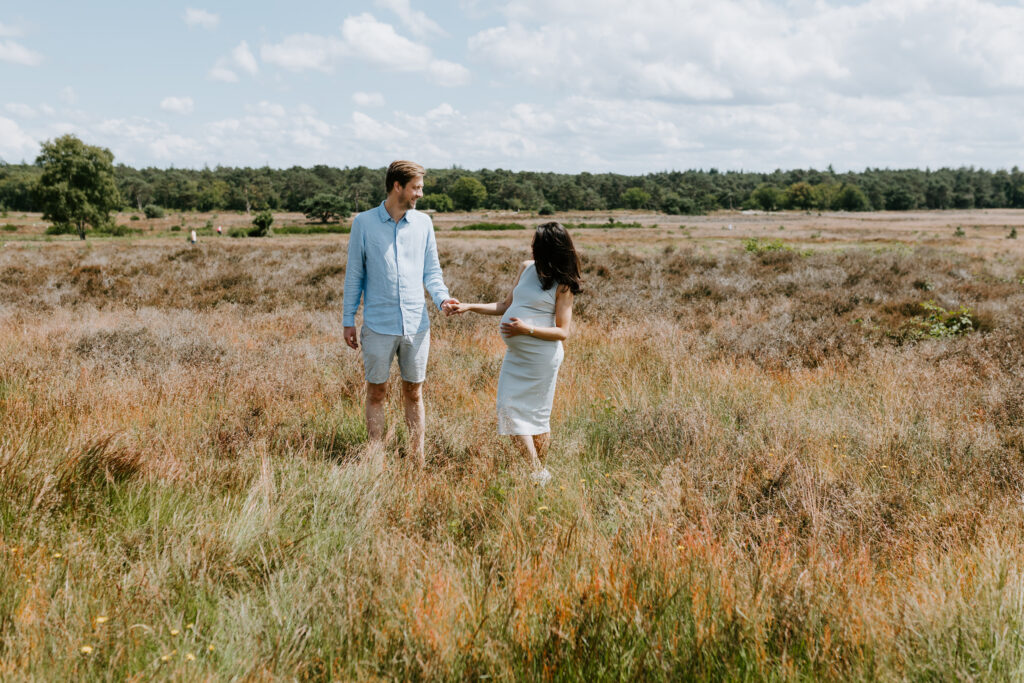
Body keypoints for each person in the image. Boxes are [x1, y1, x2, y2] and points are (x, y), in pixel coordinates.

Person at [342, 160, 459, 465]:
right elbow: (354, 274)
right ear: (398, 187)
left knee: (414, 392)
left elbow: (432, 272)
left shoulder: (423, 224)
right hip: (378, 326)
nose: (420, 194)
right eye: (416, 188)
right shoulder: (364, 223)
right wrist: (348, 320)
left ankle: (416, 457)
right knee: (376, 391)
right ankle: (376, 456)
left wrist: (442, 299)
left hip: (416, 325)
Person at [451, 222, 581, 485]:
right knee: (508, 409)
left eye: (537, 243)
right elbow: (504, 305)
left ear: (550, 249)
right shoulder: (526, 268)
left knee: (536, 415)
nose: (532, 247)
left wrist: (526, 329)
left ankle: (537, 473)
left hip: (541, 358)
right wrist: (468, 306)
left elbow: (562, 332)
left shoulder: (563, 285)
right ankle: (538, 473)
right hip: (517, 357)